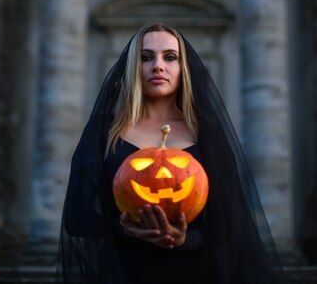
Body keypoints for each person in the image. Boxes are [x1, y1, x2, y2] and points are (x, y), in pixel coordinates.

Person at [58, 23, 281, 284]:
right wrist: (125, 229)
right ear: (132, 67)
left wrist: (185, 238)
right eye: (146, 57)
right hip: (125, 272)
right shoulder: (105, 133)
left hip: (196, 273)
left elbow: (229, 223)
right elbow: (76, 216)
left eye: (170, 57)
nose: (158, 66)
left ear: (183, 68)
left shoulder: (206, 134)